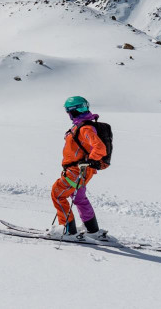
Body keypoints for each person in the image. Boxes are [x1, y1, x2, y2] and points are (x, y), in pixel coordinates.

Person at [50, 96, 109, 239]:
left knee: (57, 194)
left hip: (77, 171)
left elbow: (100, 148)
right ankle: (92, 230)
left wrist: (89, 161)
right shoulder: (82, 125)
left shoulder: (85, 128)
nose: (67, 114)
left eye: (68, 111)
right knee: (79, 198)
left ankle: (67, 230)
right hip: (81, 171)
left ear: (73, 111)